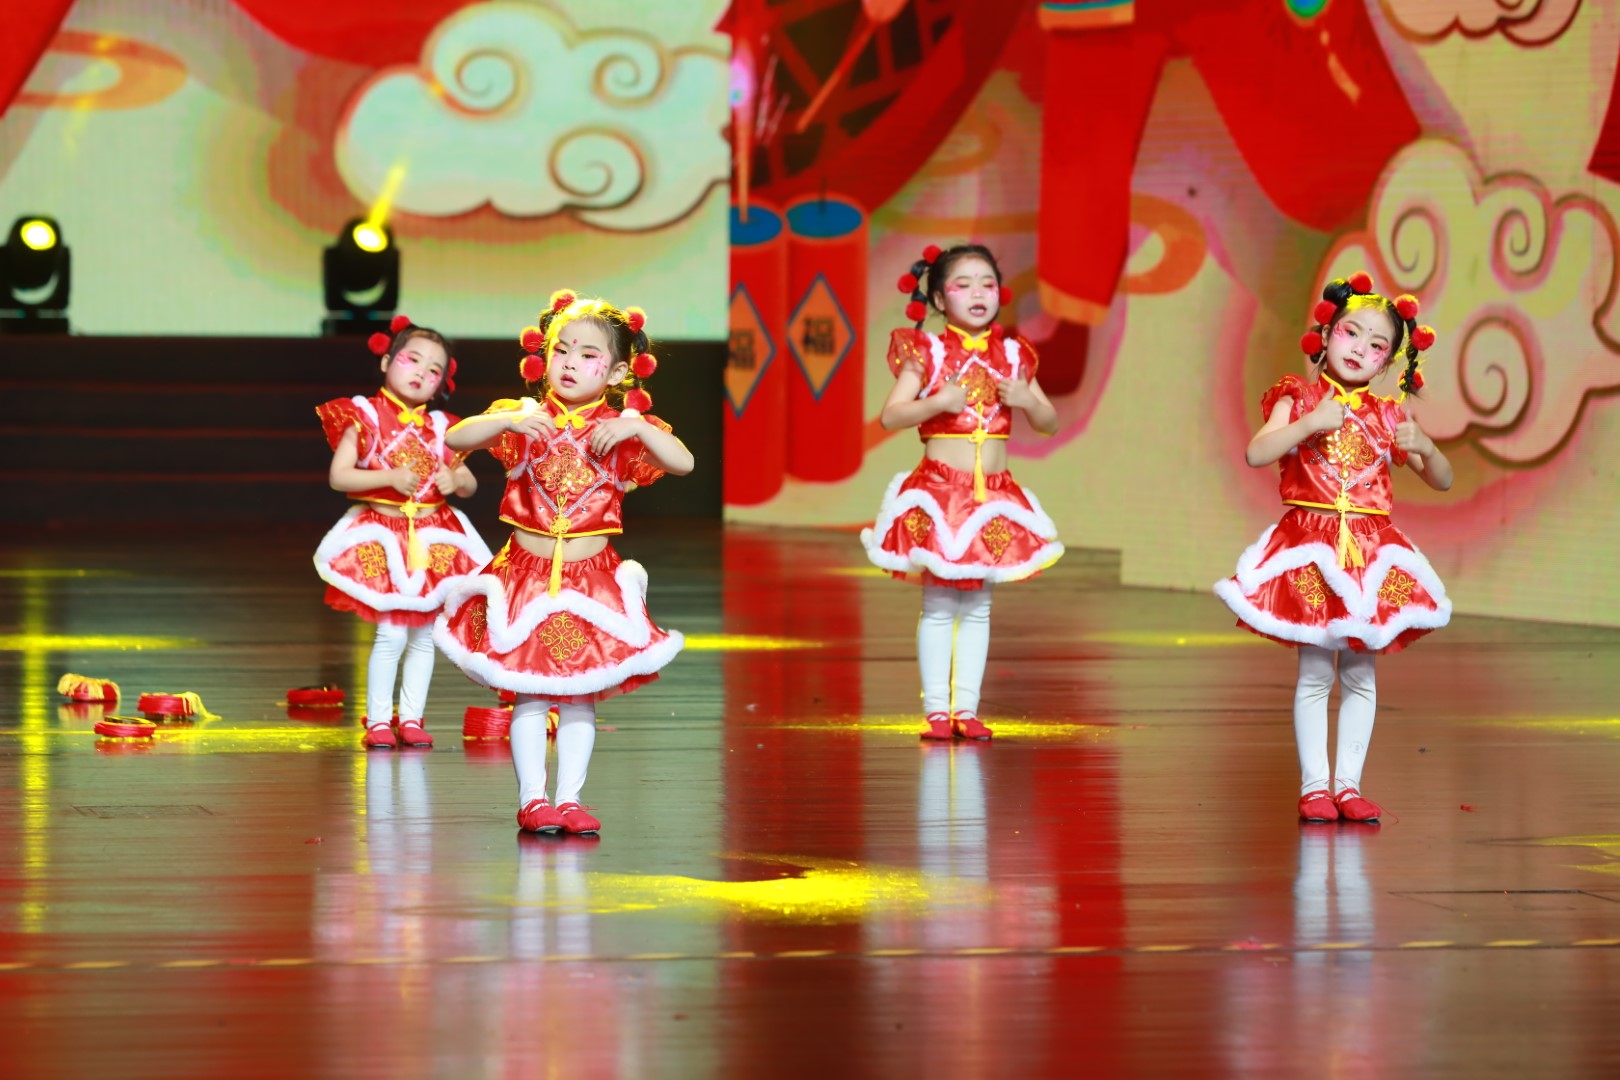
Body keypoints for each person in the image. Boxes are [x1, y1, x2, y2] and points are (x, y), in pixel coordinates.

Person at [436, 291, 692, 835]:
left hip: (590, 582)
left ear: (618, 372)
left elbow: (684, 463)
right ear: (543, 357)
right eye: (561, 350)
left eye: (588, 354)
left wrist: (638, 428)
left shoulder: (621, 429)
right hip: (525, 577)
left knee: (578, 696)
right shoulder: (524, 417)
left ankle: (570, 800)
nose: (570, 363)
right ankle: (533, 800)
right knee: (530, 692)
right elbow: (455, 438)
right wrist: (508, 423)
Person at [1214, 272, 1452, 823]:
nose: (1361, 349)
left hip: (1368, 553)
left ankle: (1348, 786)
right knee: (1317, 673)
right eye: (1351, 333)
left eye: (1377, 345)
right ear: (1325, 335)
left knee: (1361, 674)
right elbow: (1257, 453)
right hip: (1312, 545)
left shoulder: (1389, 416)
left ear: (1387, 365)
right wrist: (1311, 423)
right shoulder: (1298, 397)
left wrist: (1427, 445)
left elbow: (1441, 479)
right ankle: (1314, 787)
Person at [861, 244, 1064, 741]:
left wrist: (1026, 399)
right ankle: (936, 711)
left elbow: (1048, 422)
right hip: (939, 493)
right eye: (963, 284)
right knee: (938, 605)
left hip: (992, 497)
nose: (978, 293)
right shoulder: (925, 352)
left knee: (979, 607)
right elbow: (891, 416)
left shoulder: (1014, 355)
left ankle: (967, 710)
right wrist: (939, 401)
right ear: (938, 298)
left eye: (987, 283)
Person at [315, 316, 488, 749]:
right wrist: (389, 478)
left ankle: (411, 718)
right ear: (386, 361)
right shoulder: (365, 415)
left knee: (425, 635)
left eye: (434, 369)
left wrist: (455, 480)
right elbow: (340, 476)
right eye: (412, 360)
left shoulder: (443, 427)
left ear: (441, 383)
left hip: (433, 535)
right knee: (391, 632)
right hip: (384, 532)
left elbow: (468, 483)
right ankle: (378, 720)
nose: (421, 373)